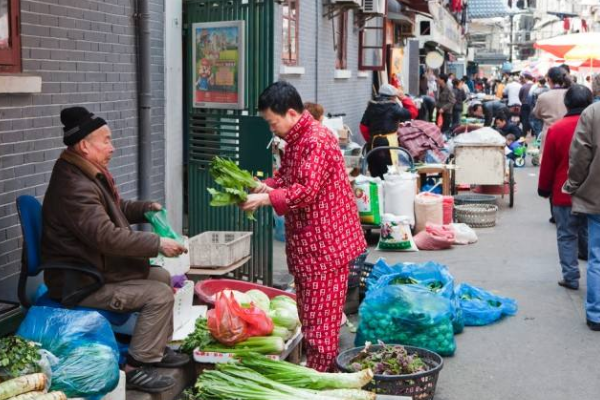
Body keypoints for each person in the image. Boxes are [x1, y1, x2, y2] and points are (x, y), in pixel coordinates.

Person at [42, 107, 189, 393]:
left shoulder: (84, 173)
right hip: (80, 281)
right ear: (85, 145)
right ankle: (137, 366)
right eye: (106, 140)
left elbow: (112, 211)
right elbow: (106, 235)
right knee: (158, 294)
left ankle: (155, 350)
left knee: (159, 277)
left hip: (94, 267)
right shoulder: (73, 185)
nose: (113, 146)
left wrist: (143, 210)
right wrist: (157, 243)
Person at [241, 81, 367, 368]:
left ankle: (320, 381)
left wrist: (265, 200)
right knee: (310, 317)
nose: (272, 129)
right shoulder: (298, 140)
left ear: (291, 114)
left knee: (321, 324)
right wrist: (260, 187)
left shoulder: (316, 140)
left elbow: (306, 191)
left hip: (326, 246)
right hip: (310, 245)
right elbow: (284, 179)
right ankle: (320, 374)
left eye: (273, 123)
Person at [538, 85, 591, 295]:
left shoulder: (557, 129)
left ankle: (571, 277)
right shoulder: (594, 127)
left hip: (563, 193)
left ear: (567, 103)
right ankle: (593, 275)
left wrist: (543, 189)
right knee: (590, 233)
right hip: (593, 194)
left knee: (567, 236)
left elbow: (548, 164)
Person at [562, 87, 600, 331]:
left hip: (597, 194)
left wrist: (573, 185)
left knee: (597, 256)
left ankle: (596, 314)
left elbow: (579, 156)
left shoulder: (593, 113)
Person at [360, 83, 412, 178]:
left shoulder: (371, 106)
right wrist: (404, 98)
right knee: (389, 174)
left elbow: (363, 126)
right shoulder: (393, 107)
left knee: (375, 175)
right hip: (388, 145)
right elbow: (412, 112)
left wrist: (371, 139)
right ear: (392, 97)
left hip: (372, 144)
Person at [532, 67, 571, 157]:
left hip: (549, 134)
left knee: (547, 165)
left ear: (548, 79)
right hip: (568, 134)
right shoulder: (570, 94)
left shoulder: (543, 97)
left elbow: (536, 114)